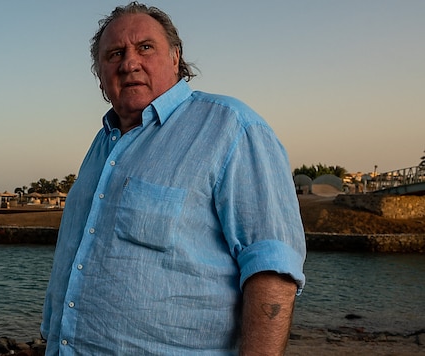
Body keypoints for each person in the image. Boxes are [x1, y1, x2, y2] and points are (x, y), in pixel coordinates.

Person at [41, 2, 306, 355]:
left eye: (145, 47)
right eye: (114, 54)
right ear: (100, 74)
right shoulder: (103, 144)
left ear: (176, 57)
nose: (129, 62)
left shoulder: (232, 127)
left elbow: (272, 270)